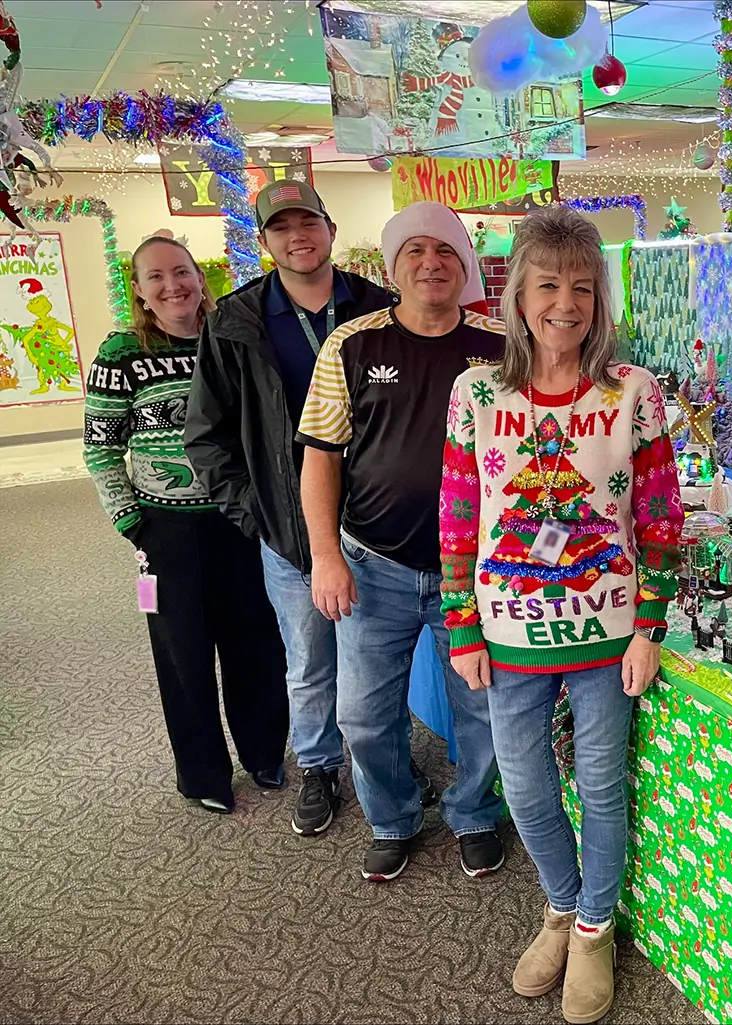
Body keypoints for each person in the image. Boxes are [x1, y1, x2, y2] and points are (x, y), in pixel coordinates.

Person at [441, 206, 682, 1024]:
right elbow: (458, 513)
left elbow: (660, 515)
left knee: (602, 785)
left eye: (582, 287)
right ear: (519, 295)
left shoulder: (633, 391)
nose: (565, 304)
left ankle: (592, 929)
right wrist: (461, 623)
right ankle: (561, 902)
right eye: (548, 285)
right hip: (506, 630)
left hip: (607, 632)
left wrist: (649, 625)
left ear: (599, 299)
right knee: (525, 785)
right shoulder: (476, 393)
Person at [186, 181, 441, 837]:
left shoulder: (380, 305)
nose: (297, 236)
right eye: (281, 227)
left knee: (377, 667)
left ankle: (388, 765)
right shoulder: (235, 323)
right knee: (310, 661)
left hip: (380, 530)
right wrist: (259, 514)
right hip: (291, 531)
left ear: (330, 229)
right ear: (265, 241)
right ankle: (320, 767)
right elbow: (206, 435)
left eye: (308, 222)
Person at [296, 202, 505, 883]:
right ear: (393, 267)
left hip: (474, 570)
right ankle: (393, 817)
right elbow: (321, 456)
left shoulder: (503, 345)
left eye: (445, 251)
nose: (430, 263)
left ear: (464, 265)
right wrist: (325, 556)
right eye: (414, 251)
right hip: (373, 564)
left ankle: (474, 812)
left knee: (481, 705)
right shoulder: (351, 345)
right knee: (362, 714)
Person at [83, 235, 288, 813]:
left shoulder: (231, 337)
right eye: (156, 276)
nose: (172, 285)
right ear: (139, 290)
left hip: (241, 520)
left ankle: (264, 752)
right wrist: (131, 522)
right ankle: (202, 775)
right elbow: (100, 447)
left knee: (256, 644)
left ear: (200, 278)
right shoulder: (123, 354)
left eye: (181, 272)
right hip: (167, 530)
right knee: (184, 655)